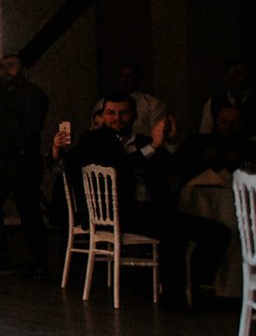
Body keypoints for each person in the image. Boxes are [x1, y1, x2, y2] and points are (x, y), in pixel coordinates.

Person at [55, 95, 228, 306]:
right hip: (117, 212)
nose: (117, 118)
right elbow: (118, 166)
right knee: (172, 232)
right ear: (103, 115)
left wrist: (170, 143)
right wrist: (154, 146)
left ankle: (195, 283)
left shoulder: (144, 141)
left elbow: (176, 169)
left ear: (135, 115)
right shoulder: (93, 140)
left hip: (152, 210)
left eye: (124, 113)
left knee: (217, 232)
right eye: (111, 113)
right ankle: (173, 297)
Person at [0, 54, 50, 274]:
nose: (5, 70)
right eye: (1, 66)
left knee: (28, 210)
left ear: (23, 70)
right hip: (2, 160)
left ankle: (40, 261)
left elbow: (30, 129)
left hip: (24, 159)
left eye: (11, 66)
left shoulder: (33, 95)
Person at [88, 61, 167, 139]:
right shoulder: (103, 103)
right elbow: (94, 130)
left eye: (129, 76)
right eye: (121, 76)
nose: (124, 80)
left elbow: (160, 133)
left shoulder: (153, 104)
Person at [197, 60, 250, 135]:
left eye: (238, 73)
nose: (232, 77)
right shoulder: (214, 101)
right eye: (228, 73)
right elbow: (205, 130)